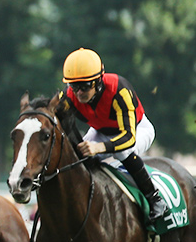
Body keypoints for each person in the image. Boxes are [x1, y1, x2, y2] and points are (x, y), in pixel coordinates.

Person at [57, 47, 168, 222]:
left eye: (85, 86)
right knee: (78, 157)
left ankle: (155, 199)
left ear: (98, 81)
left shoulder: (119, 90)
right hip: (101, 132)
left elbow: (128, 138)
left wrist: (98, 148)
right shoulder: (68, 97)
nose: (79, 93)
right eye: (74, 86)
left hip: (137, 130)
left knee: (122, 152)